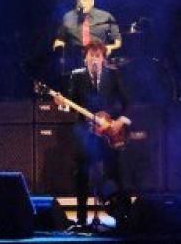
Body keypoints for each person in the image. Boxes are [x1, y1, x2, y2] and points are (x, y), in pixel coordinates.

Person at [53, 39, 130, 229]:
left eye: (98, 55)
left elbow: (125, 102)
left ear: (103, 59)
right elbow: (71, 105)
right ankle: (81, 220)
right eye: (91, 55)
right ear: (85, 58)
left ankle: (121, 217)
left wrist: (120, 121)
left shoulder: (113, 74)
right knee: (81, 173)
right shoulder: (77, 76)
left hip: (109, 132)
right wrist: (62, 104)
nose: (94, 59)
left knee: (114, 172)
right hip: (86, 133)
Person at [53, 0, 122, 69]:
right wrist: (59, 51)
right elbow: (60, 39)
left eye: (85, 0)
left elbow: (117, 42)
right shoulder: (68, 17)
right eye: (79, 1)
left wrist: (109, 47)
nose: (81, 3)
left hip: (99, 60)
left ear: (92, 2)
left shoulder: (106, 17)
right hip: (75, 62)